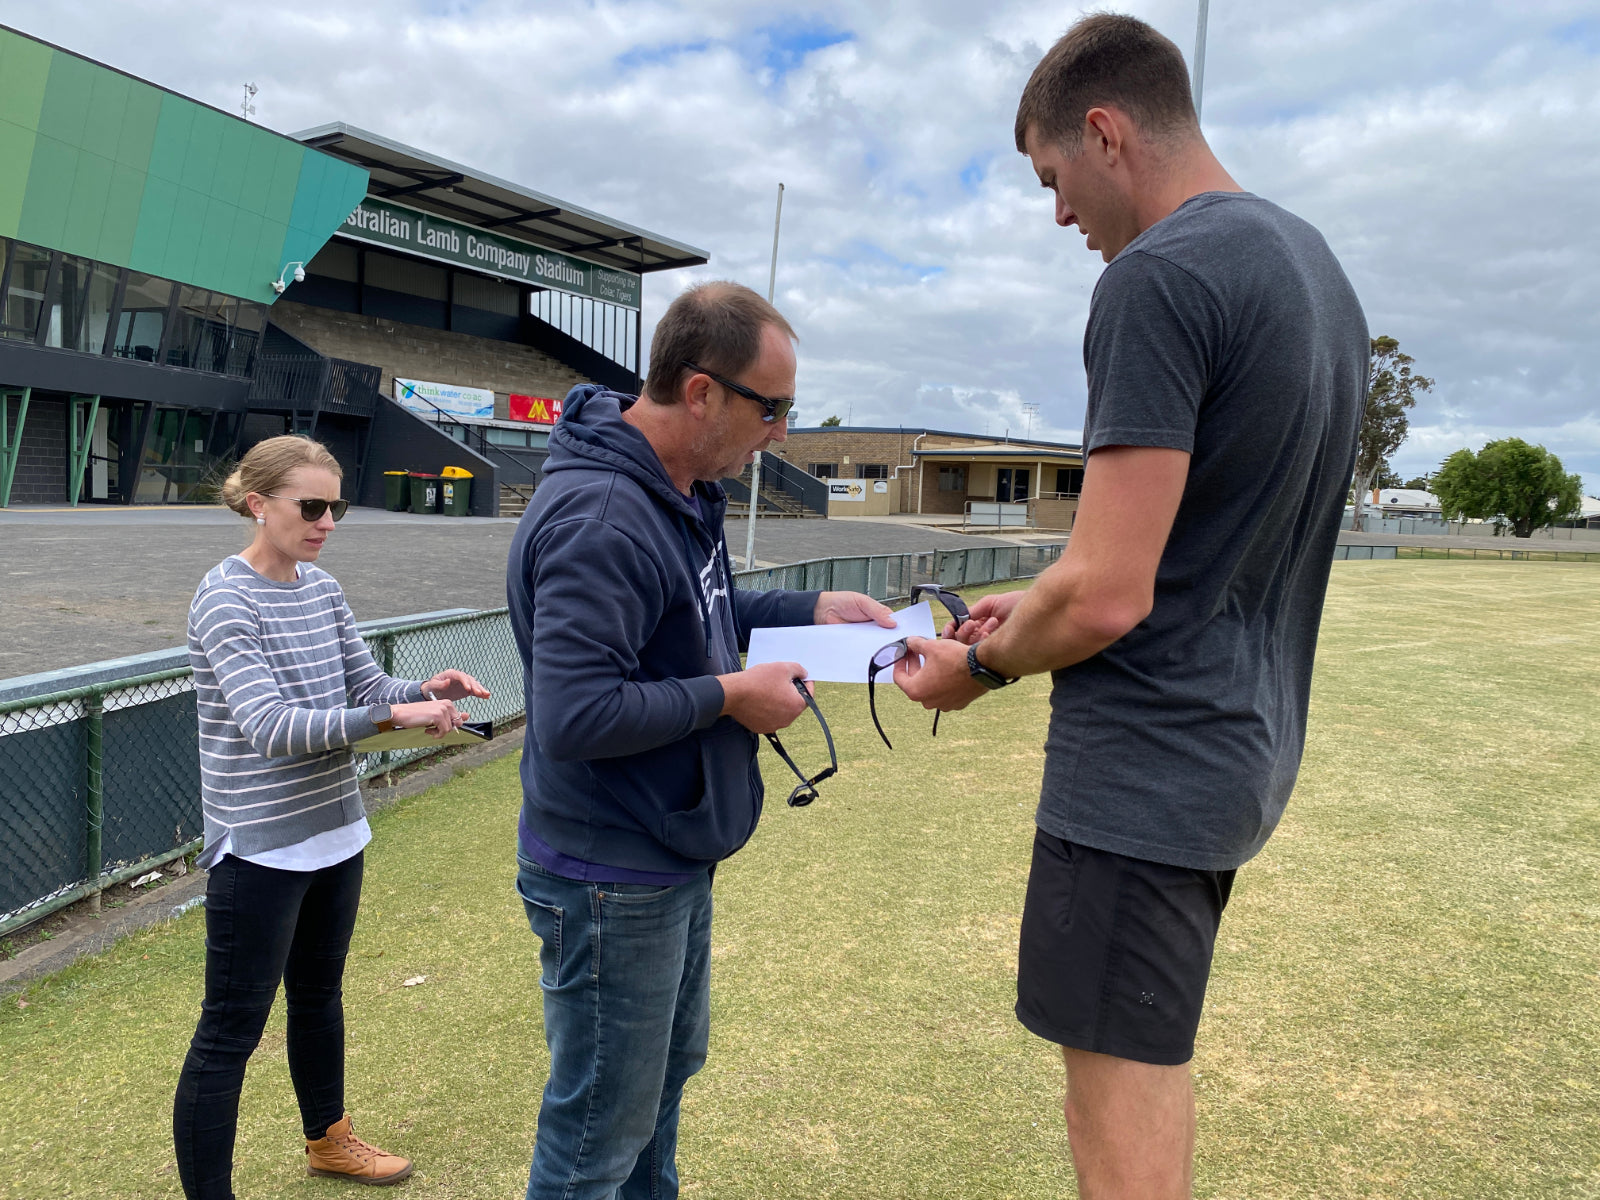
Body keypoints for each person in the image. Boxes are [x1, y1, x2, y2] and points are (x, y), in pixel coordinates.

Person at [894, 14, 1368, 1199]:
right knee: (1145, 1055)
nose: (1060, 216)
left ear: (1104, 132)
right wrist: (1027, 606)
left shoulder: (1155, 277)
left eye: (1053, 180)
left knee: (1116, 1079)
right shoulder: (1312, 269)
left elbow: (1107, 594)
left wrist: (980, 669)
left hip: (1145, 768)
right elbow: (1183, 546)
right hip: (1238, 751)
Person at [507, 281, 896, 1200]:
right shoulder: (604, 516)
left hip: (664, 851)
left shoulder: (676, 487)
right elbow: (573, 715)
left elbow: (696, 613)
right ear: (700, 391)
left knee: (653, 1101)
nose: (783, 433)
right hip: (611, 871)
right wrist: (729, 697)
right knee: (597, 1135)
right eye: (774, 407)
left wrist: (808, 608)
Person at [174, 434, 490, 1198]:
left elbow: (365, 684)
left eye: (336, 507)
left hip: (335, 831)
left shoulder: (322, 589)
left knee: (318, 998)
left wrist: (420, 688)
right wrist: (395, 721)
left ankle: (330, 1142)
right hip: (260, 850)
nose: (327, 522)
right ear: (259, 504)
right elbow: (271, 727)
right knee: (229, 1034)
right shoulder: (224, 598)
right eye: (312, 506)